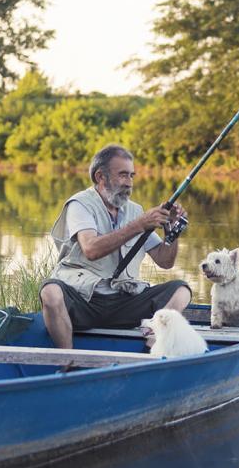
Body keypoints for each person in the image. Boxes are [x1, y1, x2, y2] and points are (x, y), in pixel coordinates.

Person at [40, 144, 191, 349]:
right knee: (50, 291)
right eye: (122, 175)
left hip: (123, 302)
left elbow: (164, 261)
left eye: (131, 176)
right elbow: (91, 249)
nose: (129, 183)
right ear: (100, 177)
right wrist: (139, 225)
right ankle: (68, 359)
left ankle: (153, 344)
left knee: (181, 290)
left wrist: (172, 231)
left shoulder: (136, 211)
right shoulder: (80, 204)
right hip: (84, 300)